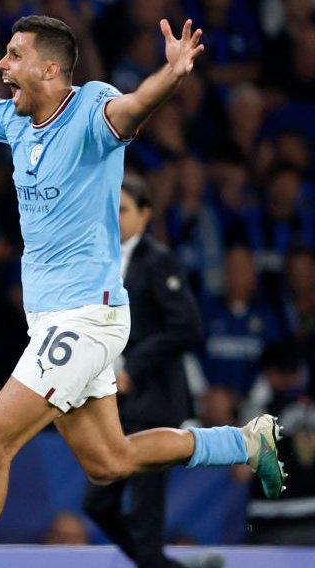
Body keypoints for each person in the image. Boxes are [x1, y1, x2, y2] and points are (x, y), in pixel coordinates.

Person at [0, 14, 285, 568]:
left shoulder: (91, 113)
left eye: (13, 55)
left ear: (49, 67)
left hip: (85, 318)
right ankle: (245, 442)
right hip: (53, 322)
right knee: (110, 461)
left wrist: (170, 75)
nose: (1, 65)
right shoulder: (18, 121)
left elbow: (133, 107)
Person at [83, 175, 212, 568]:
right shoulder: (101, 260)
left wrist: (134, 368)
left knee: (145, 511)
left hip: (154, 402)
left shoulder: (158, 261)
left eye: (123, 210)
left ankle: (155, 562)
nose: (115, 218)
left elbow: (187, 326)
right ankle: (161, 566)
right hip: (118, 405)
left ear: (145, 214)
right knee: (99, 503)